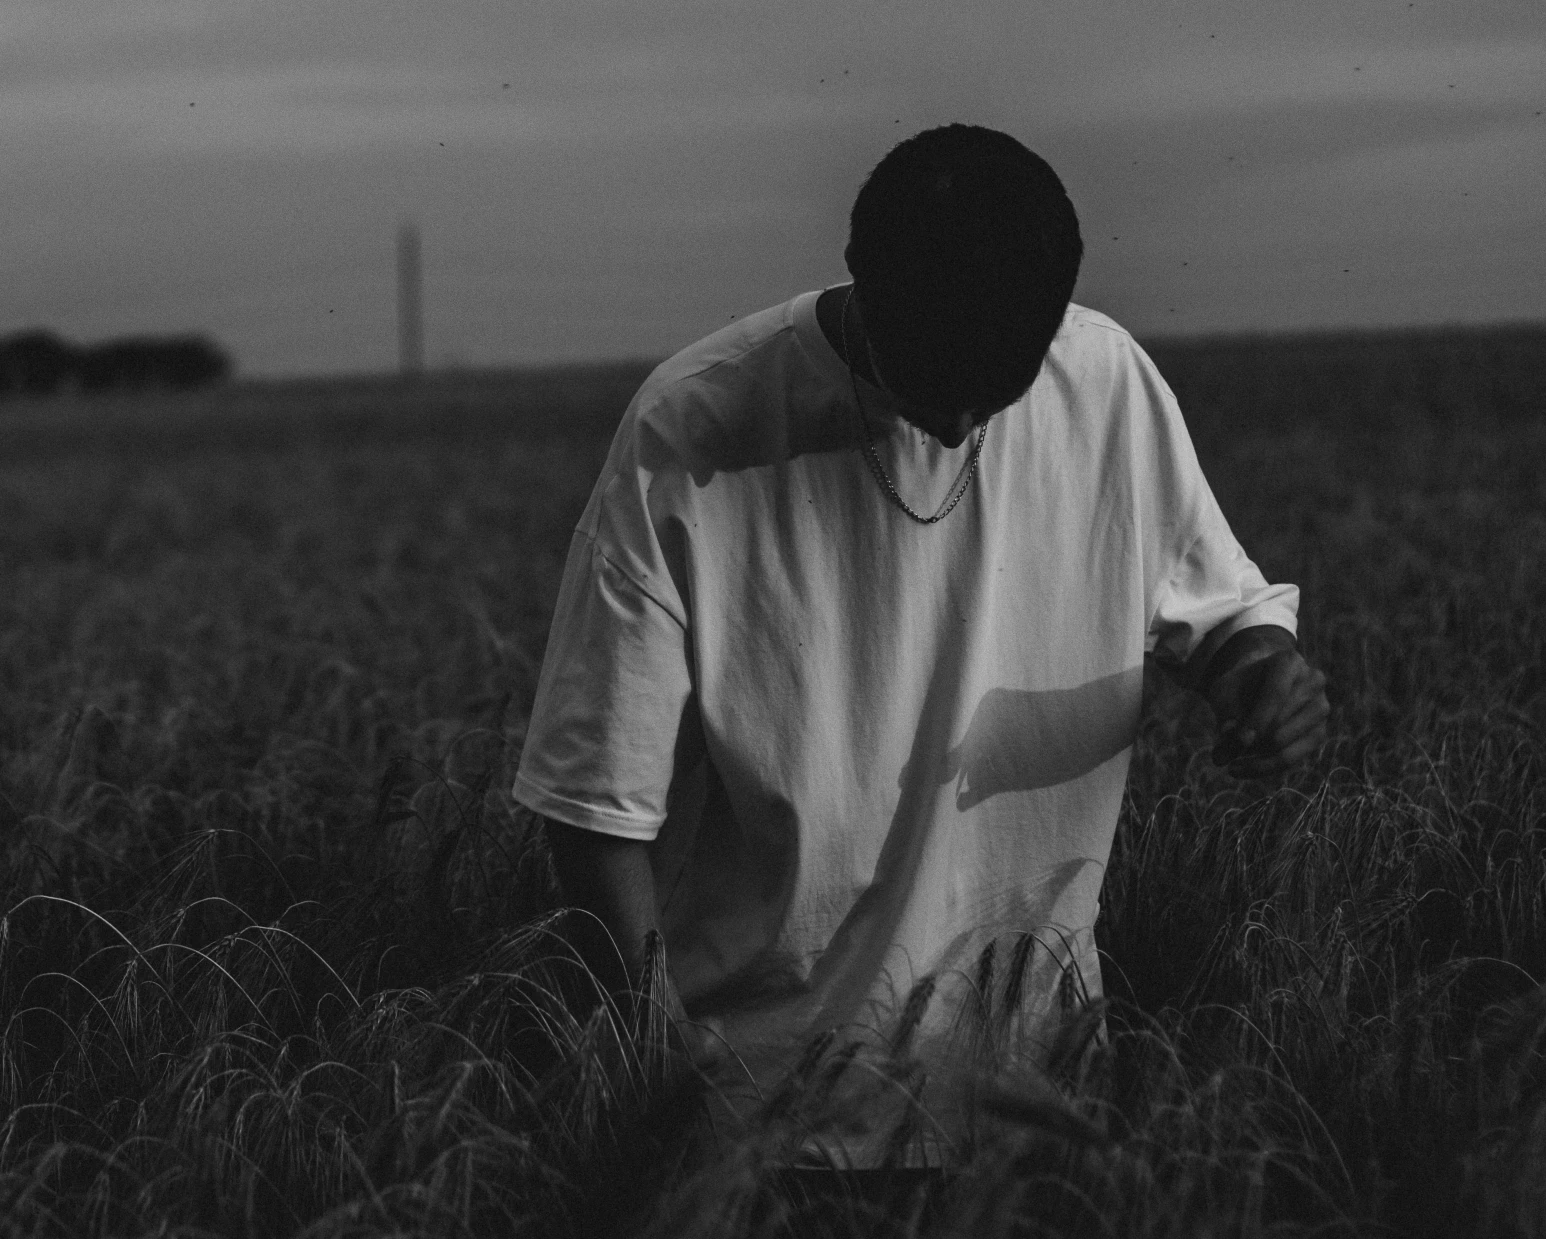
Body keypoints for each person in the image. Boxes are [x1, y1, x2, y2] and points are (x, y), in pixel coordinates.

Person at [511, 124, 1329, 1169]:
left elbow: (1223, 616)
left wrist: (1263, 678)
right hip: (760, 1121)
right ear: (858, 279)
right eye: (928, 378)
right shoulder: (691, 430)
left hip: (1033, 1100)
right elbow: (592, 809)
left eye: (993, 389)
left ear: (1055, 317)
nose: (950, 427)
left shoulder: (1105, 379)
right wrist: (654, 1068)